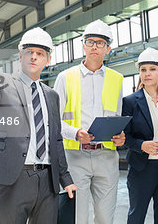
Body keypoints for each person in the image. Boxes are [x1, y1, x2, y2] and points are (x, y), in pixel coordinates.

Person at [0, 27, 77, 224]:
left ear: (47, 60)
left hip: (47, 180)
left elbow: (56, 139)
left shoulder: (52, 95)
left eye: (39, 53)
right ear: (20, 56)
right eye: (29, 52)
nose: (33, 57)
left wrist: (65, 180)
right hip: (14, 178)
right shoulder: (3, 83)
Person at [54, 19, 125, 224]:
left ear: (108, 48)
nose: (95, 46)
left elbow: (117, 116)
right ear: (83, 45)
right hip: (75, 157)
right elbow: (55, 121)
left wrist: (120, 137)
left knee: (105, 218)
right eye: (90, 41)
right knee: (78, 217)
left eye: (100, 42)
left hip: (107, 157)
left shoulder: (117, 79)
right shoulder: (65, 77)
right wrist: (75, 133)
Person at [122, 48, 158, 224]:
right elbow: (125, 137)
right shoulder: (129, 102)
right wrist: (141, 145)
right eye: (143, 69)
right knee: (136, 216)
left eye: (152, 69)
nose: (147, 74)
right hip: (141, 168)